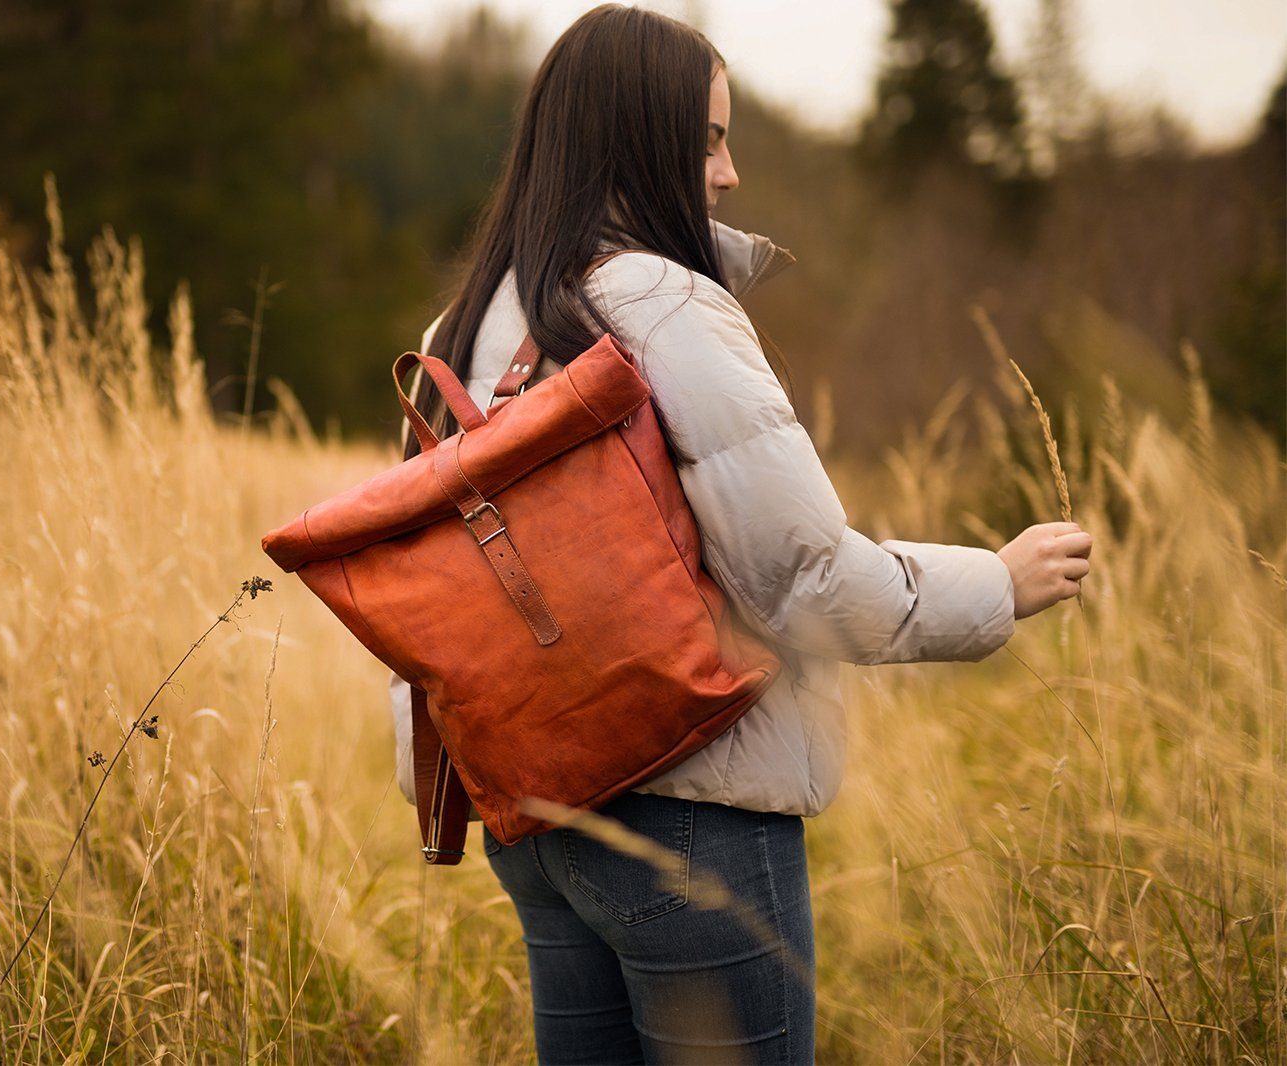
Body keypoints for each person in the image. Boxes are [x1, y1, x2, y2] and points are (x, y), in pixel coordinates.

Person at [385, 5, 1093, 1063]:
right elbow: (803, 581)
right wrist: (996, 585)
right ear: (638, 140)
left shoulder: (465, 322)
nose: (729, 173)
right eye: (709, 138)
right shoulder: (667, 304)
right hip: (690, 812)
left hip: (529, 809)